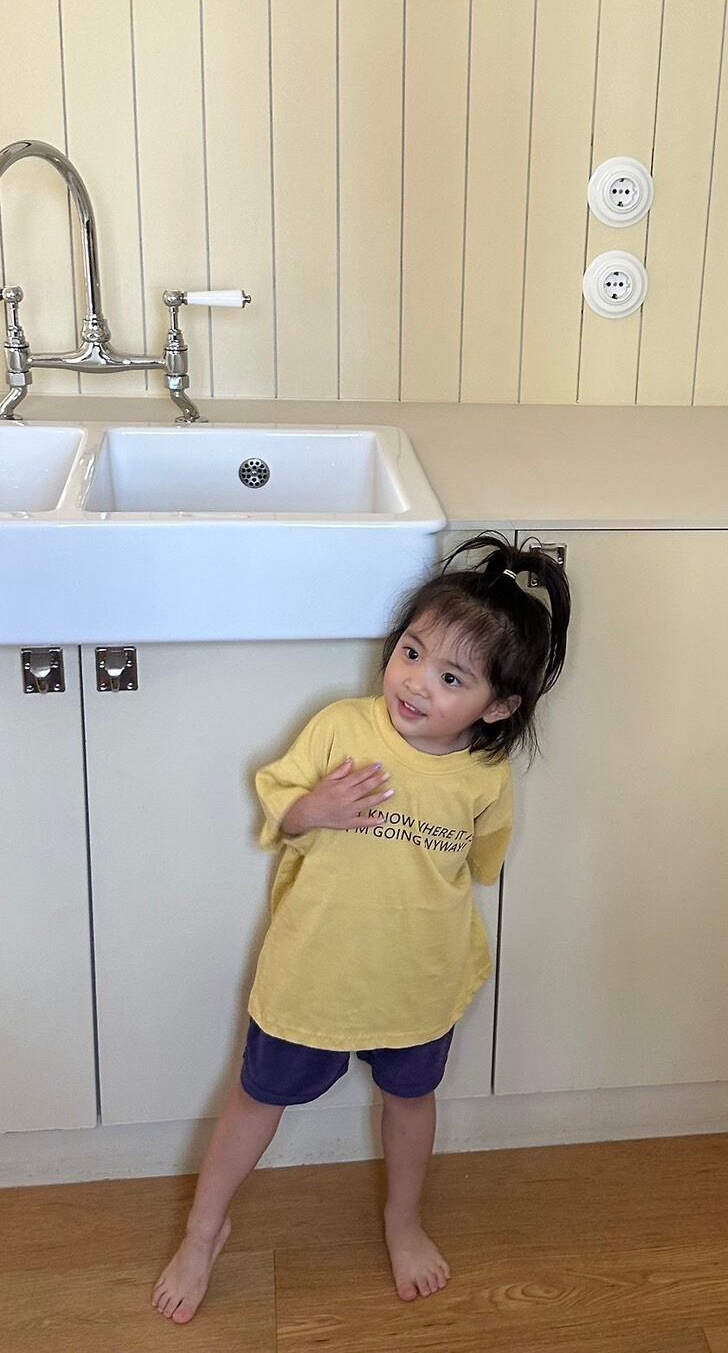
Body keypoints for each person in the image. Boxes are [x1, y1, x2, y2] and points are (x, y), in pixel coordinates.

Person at [152, 533, 570, 1323]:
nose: (415, 682)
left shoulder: (486, 775)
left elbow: (481, 862)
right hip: (314, 972)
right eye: (411, 653)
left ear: (499, 706)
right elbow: (280, 803)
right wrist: (313, 809)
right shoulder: (342, 728)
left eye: (451, 678)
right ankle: (203, 1231)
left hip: (417, 979)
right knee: (256, 1099)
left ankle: (402, 1222)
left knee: (410, 1101)